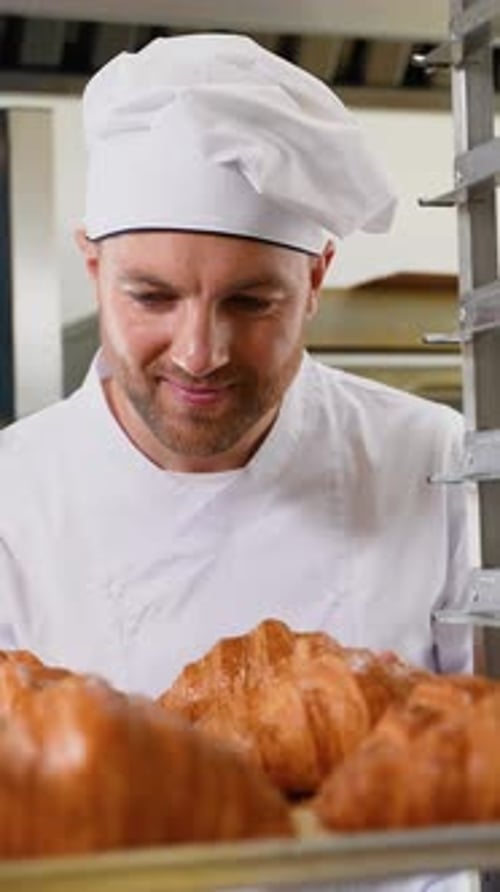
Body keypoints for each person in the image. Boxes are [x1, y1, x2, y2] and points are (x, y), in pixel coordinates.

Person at [0, 32, 473, 891]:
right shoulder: (12, 497)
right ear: (93, 264)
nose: (199, 353)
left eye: (252, 301)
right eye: (152, 296)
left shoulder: (430, 459)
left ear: (318, 276)